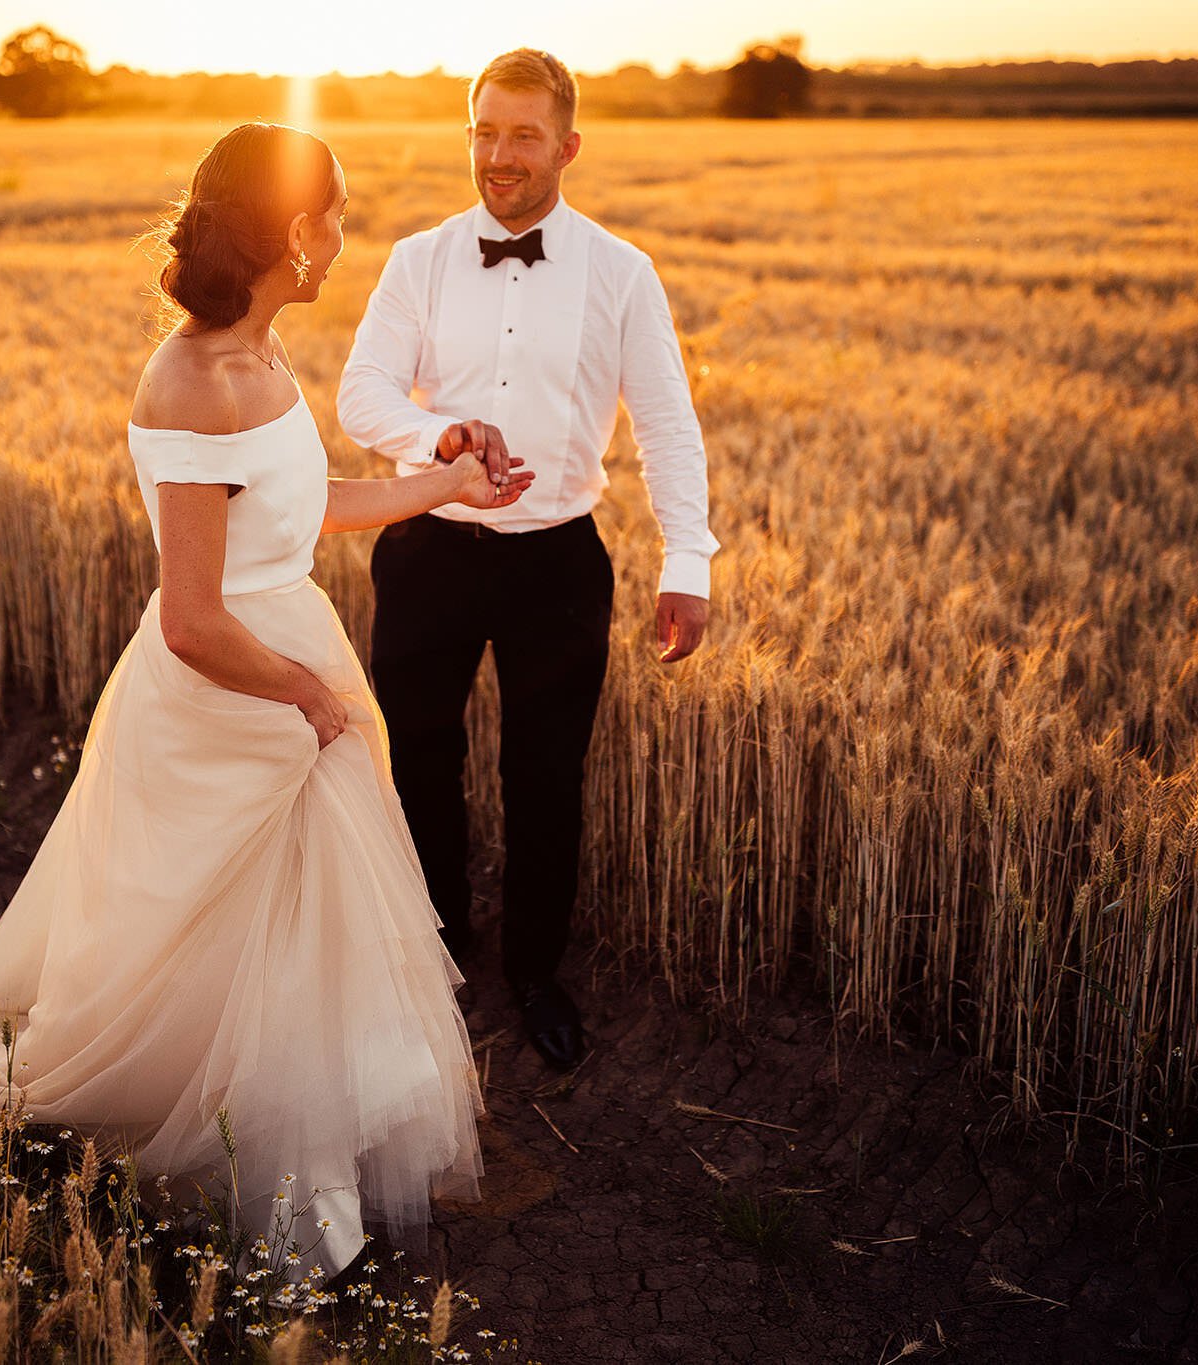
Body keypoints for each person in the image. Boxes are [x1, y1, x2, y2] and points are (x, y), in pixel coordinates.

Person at [0, 122, 528, 1287]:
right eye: (333, 217)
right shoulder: (190, 380)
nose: (343, 240)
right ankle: (247, 1170)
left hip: (290, 665)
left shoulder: (265, 362)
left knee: (306, 936)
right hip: (226, 694)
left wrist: (443, 485)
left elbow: (301, 506)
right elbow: (192, 618)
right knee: (221, 939)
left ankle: (311, 1163)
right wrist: (304, 692)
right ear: (292, 233)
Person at [337, 49, 719, 1072]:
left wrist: (689, 558)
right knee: (418, 758)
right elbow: (360, 394)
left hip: (558, 564)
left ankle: (536, 973)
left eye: (520, 135)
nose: (496, 156)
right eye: (481, 131)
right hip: (426, 553)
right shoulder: (415, 260)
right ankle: (436, 948)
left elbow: (668, 428)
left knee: (546, 778)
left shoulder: (620, 272)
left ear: (565, 146)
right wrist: (443, 438)